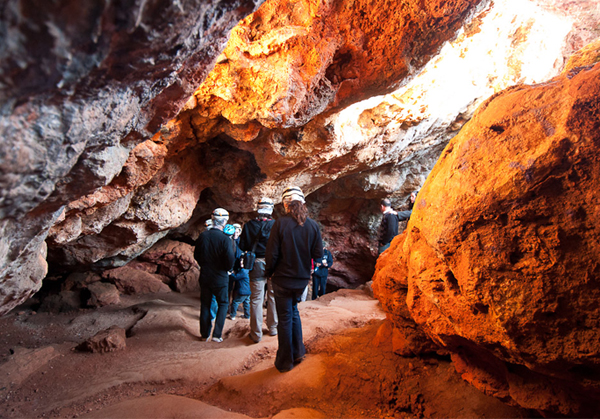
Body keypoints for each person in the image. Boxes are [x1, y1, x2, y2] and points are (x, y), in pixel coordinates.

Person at [265, 186, 323, 372]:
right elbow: (318, 253)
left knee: (284, 318)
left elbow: (272, 254)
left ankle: (285, 361)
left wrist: (269, 272)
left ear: (285, 204)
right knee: (293, 312)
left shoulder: (280, 224)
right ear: (303, 203)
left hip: (282, 279)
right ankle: (298, 351)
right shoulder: (313, 226)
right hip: (301, 280)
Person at [239, 197, 278, 343]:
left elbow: (242, 245)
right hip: (273, 263)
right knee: (273, 295)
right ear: (271, 209)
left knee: (256, 298)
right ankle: (273, 328)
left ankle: (256, 334)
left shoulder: (249, 225)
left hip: (255, 262)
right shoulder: (276, 225)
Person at [194, 208, 236, 343]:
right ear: (225, 221)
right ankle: (217, 334)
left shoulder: (203, 236)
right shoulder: (225, 239)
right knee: (223, 303)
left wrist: (205, 265)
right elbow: (230, 259)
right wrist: (227, 269)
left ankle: (204, 334)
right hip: (220, 276)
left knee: (206, 303)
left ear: (212, 219)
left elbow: (197, 255)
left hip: (205, 274)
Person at [229, 223, 251, 320]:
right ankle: (229, 307)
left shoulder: (241, 242)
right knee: (229, 288)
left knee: (238, 288)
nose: (235, 234)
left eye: (237, 232)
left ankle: (234, 308)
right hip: (233, 267)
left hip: (239, 268)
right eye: (234, 232)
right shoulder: (229, 241)